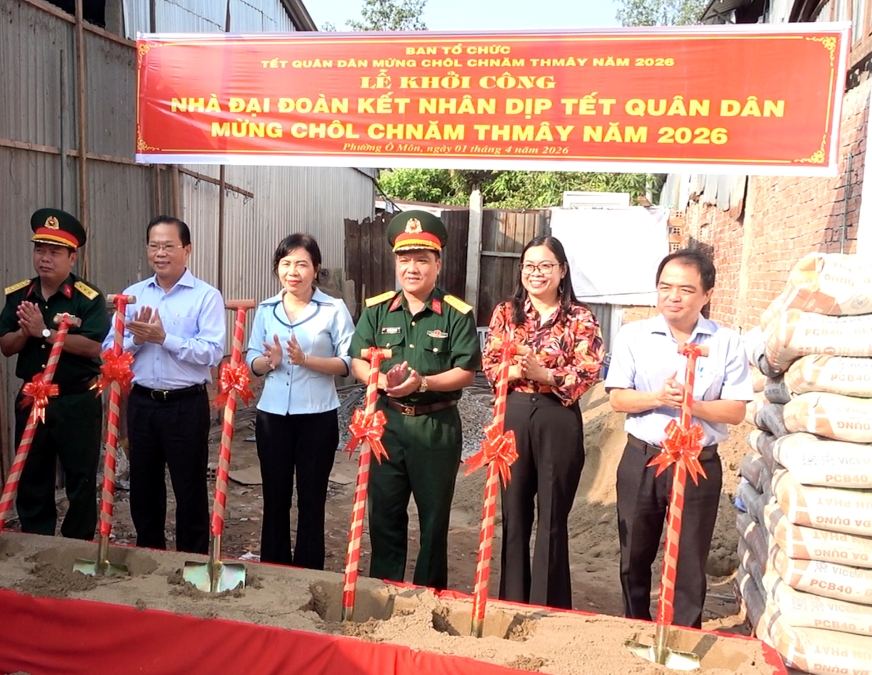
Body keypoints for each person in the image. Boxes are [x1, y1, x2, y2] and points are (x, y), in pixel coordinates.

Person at [606, 248, 751, 629]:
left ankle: (684, 632)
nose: (673, 296)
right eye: (665, 287)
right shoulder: (633, 335)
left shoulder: (726, 342)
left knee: (689, 557)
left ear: (706, 295)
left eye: (686, 289)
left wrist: (694, 405)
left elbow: (736, 410)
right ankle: (634, 625)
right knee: (634, 552)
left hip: (697, 462)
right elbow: (617, 397)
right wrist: (657, 398)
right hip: (643, 459)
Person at [350, 210, 481, 590]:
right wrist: (377, 380)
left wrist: (421, 381)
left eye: (422, 260)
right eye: (404, 259)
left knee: (434, 518)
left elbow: (466, 371)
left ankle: (428, 593)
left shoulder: (457, 315)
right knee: (384, 515)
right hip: (387, 426)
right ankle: (384, 590)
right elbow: (357, 359)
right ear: (395, 263)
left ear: (437, 265)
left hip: (436, 427)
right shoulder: (376, 310)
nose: (412, 268)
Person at [482, 236, 604, 608]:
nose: (537, 274)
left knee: (552, 514)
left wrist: (546, 375)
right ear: (521, 271)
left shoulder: (580, 318)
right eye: (530, 266)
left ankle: (549, 604)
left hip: (558, 414)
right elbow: (489, 365)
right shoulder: (506, 313)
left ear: (562, 271)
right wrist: (516, 369)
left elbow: (589, 370)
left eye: (546, 266)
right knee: (514, 510)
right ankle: (512, 601)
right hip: (515, 413)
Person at [110, 215, 225, 554]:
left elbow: (212, 352)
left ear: (186, 250)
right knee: (144, 486)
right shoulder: (131, 297)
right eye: (154, 245)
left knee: (188, 487)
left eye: (168, 246)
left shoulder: (205, 296)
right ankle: (150, 555)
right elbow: (108, 349)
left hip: (185, 405)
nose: (160, 253)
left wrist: (165, 338)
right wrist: (136, 340)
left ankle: (192, 560)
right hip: (142, 403)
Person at [0, 208, 109, 540]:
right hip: (33, 396)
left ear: (72, 257)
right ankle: (36, 539)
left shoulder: (89, 297)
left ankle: (78, 543)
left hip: (77, 398)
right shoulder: (19, 294)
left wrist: (44, 332)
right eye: (40, 250)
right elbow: (5, 344)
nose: (45, 258)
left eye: (55, 252)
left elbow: (92, 346)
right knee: (32, 473)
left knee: (81, 476)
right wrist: (27, 332)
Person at [246, 234, 354, 570]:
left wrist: (306, 359)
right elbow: (252, 359)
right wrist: (270, 361)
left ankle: (308, 571)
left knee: (312, 499)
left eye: (302, 264)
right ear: (277, 268)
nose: (293, 271)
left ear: (316, 269)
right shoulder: (266, 310)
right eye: (286, 263)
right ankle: (273, 568)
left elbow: (349, 363)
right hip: (272, 417)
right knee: (275, 497)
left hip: (317, 418)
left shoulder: (333, 309)